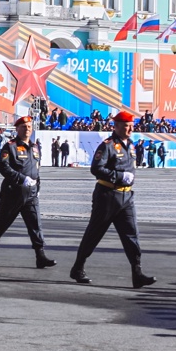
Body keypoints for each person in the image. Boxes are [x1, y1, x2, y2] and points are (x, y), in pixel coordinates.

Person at [69, 111, 155, 288]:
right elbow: (96, 168)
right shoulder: (107, 146)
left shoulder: (130, 145)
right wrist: (118, 176)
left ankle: (137, 273)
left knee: (132, 235)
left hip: (126, 197)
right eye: (126, 125)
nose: (130, 128)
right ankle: (78, 267)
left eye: (131, 125)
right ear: (116, 126)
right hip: (107, 196)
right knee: (94, 233)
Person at [0, 116, 56, 269]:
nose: (27, 129)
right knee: (2, 223)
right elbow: (3, 167)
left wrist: (38, 188)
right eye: (23, 126)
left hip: (31, 194)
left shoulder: (35, 147)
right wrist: (21, 179)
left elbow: (37, 169)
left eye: (29, 126)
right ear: (17, 129)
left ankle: (40, 255)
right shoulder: (10, 146)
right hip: (13, 192)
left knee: (36, 224)